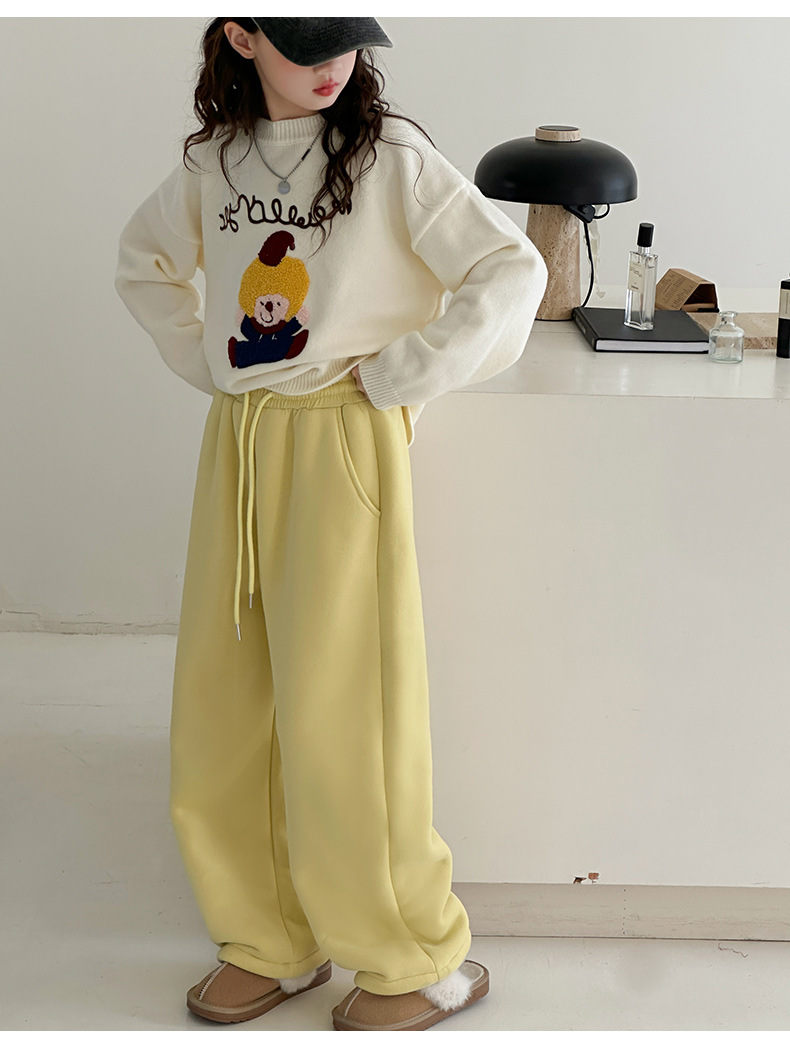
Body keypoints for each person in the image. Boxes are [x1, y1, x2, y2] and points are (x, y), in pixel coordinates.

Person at [114, 16, 548, 1031]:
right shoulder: (216, 161)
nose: (329, 66)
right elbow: (144, 263)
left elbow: (509, 268)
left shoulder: (391, 154)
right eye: (304, 42)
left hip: (345, 437)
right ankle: (267, 938)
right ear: (242, 37)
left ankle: (408, 956)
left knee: (351, 709)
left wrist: (399, 376)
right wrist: (214, 366)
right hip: (242, 438)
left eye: (344, 43)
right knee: (225, 701)